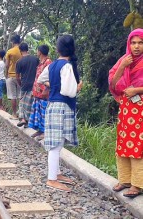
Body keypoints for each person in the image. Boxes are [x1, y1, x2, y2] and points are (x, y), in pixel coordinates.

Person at [37, 35, 81, 192]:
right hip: (62, 106)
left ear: (57, 49)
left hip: (53, 105)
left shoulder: (53, 65)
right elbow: (69, 91)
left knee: (58, 141)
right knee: (56, 145)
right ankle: (52, 179)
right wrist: (78, 87)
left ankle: (56, 173)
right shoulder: (67, 66)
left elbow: (41, 80)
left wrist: (53, 85)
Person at [109, 28, 143, 198]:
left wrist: (136, 89)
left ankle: (137, 184)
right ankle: (124, 180)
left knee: (138, 145)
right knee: (123, 142)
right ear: (129, 43)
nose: (136, 46)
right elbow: (114, 85)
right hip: (126, 109)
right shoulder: (124, 60)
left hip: (141, 109)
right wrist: (122, 66)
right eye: (133, 42)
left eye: (140, 42)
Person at [28, 45, 52, 140]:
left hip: (44, 92)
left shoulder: (48, 62)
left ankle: (45, 132)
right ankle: (40, 130)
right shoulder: (40, 63)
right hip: (37, 92)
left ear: (40, 52)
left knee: (43, 112)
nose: (36, 52)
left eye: (37, 50)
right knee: (38, 112)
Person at [16, 43, 39, 128]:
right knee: (30, 103)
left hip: (24, 84)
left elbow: (17, 77)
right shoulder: (35, 59)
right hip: (34, 84)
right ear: (27, 49)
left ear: (20, 50)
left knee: (22, 101)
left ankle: (23, 119)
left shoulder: (19, 62)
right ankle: (28, 121)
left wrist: (20, 84)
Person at [5, 35, 22, 119]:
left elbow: (7, 65)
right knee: (20, 96)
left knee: (13, 96)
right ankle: (21, 114)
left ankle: (14, 114)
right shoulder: (23, 51)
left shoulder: (10, 51)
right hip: (21, 76)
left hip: (11, 75)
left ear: (12, 42)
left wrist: (6, 74)